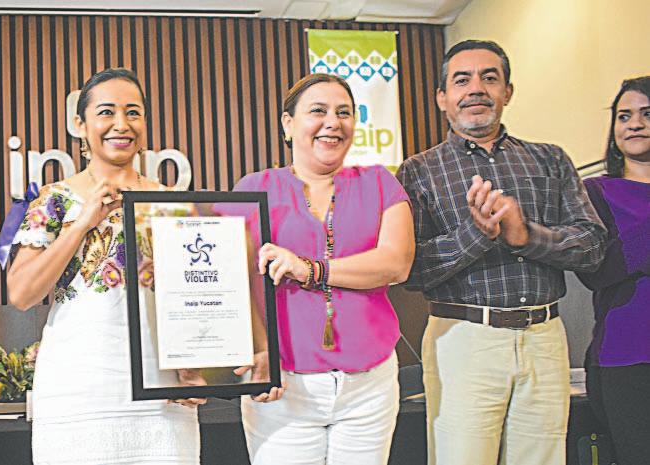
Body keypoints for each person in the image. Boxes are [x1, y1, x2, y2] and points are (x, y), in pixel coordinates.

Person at [396, 39, 607, 465]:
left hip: (545, 337)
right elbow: (412, 270)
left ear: (507, 91)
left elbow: (592, 246)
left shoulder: (550, 159)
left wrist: (525, 236)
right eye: (462, 80)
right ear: (442, 97)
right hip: (462, 338)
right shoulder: (417, 170)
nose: (476, 88)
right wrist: (477, 233)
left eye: (489, 78)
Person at [6, 68, 202, 465]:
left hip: (161, 389)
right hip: (78, 385)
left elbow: (195, 298)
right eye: (106, 112)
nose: (121, 124)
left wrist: (199, 367)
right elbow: (21, 293)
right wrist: (82, 223)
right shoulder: (54, 199)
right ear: (80, 124)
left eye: (133, 112)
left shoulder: (174, 203)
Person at [227, 73, 415, 465]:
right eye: (318, 111)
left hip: (369, 386)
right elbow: (229, 279)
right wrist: (259, 348)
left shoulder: (380, 182)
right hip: (283, 384)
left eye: (343, 113)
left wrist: (310, 270)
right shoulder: (253, 189)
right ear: (288, 123)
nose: (333, 122)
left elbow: (396, 263)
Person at [576, 76, 650, 465]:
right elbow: (597, 270)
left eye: (647, 114)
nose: (635, 124)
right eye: (624, 116)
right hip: (627, 355)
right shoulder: (595, 192)